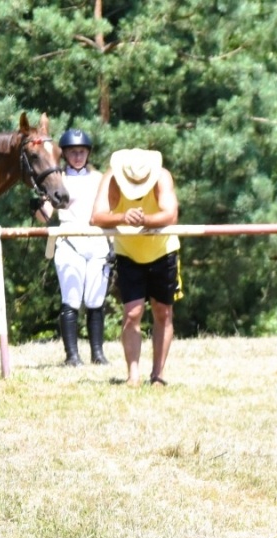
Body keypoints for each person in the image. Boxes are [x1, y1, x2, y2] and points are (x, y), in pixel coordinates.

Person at [91, 148, 180, 385]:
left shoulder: (162, 177)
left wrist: (145, 220)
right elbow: (97, 217)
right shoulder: (111, 178)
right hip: (128, 251)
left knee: (163, 311)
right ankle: (133, 374)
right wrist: (122, 217)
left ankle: (158, 374)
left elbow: (171, 214)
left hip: (163, 250)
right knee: (132, 313)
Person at [34, 128, 112, 367]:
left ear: (88, 153)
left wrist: (113, 245)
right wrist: (37, 206)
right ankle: (72, 355)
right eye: (72, 152)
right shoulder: (59, 179)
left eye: (82, 151)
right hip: (69, 242)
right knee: (72, 299)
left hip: (98, 242)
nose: (78, 156)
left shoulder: (99, 178)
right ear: (65, 155)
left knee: (95, 301)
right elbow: (45, 216)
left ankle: (97, 353)